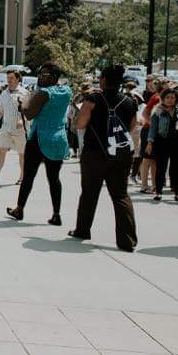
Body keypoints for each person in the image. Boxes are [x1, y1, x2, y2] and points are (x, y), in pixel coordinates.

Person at [68, 65, 138, 251]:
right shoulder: (130, 101)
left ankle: (82, 230)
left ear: (103, 80)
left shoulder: (93, 99)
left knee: (89, 193)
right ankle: (127, 240)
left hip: (94, 153)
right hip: (120, 153)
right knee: (121, 195)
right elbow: (132, 127)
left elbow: (81, 124)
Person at [7, 62, 72, 225]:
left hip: (39, 138)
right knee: (54, 178)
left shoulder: (43, 93)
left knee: (28, 175)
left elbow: (29, 114)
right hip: (58, 138)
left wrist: (22, 105)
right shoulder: (66, 91)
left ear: (54, 77)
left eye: (44, 75)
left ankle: (19, 209)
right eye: (40, 74)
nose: (40, 78)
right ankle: (56, 214)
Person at [0, 71, 28, 186]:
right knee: (1, 151)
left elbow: (29, 111)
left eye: (11, 78)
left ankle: (22, 178)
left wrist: (22, 120)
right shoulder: (4, 94)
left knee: (22, 154)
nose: (9, 80)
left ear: (18, 79)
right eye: (8, 78)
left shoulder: (25, 93)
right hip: (6, 128)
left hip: (20, 129)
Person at [146, 88, 178, 202]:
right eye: (167, 97)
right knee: (160, 168)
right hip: (161, 142)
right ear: (163, 99)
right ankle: (158, 192)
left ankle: (177, 193)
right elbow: (152, 129)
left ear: (176, 99)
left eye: (172, 98)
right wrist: (149, 143)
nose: (170, 100)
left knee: (176, 169)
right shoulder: (157, 111)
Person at [139, 78, 162, 193]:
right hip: (149, 131)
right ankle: (144, 185)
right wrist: (153, 125)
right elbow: (145, 113)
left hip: (152, 131)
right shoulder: (157, 98)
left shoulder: (158, 97)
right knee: (147, 159)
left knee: (153, 160)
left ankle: (153, 185)